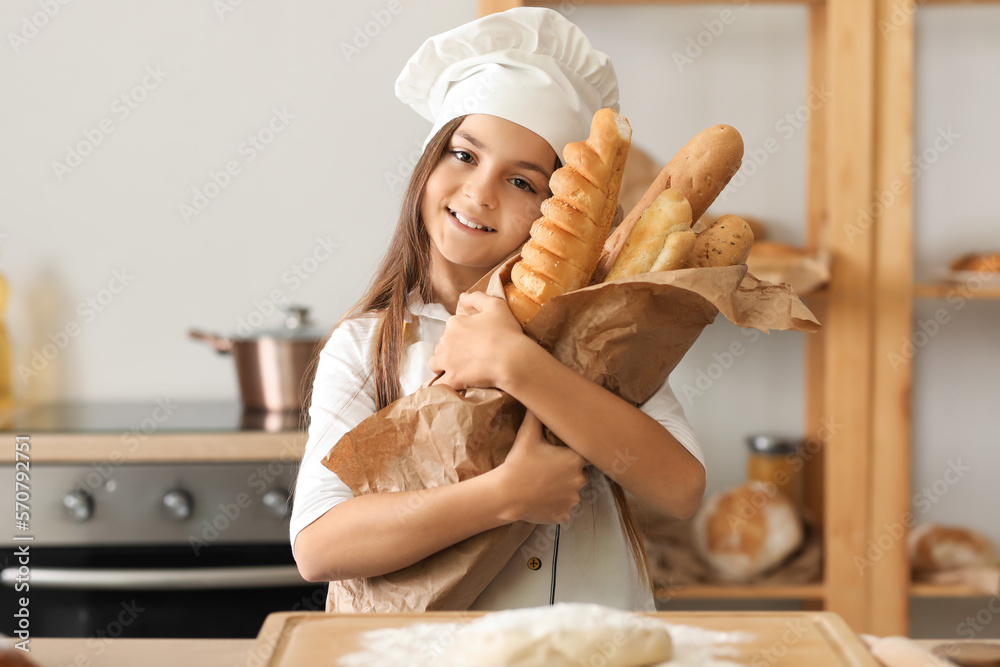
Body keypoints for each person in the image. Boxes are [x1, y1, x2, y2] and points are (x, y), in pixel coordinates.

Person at [291, 7, 705, 612]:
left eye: (523, 183)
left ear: (560, 212)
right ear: (427, 163)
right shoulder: (368, 344)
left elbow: (680, 487)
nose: (480, 192)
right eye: (464, 155)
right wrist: (505, 495)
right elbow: (319, 547)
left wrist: (519, 364)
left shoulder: (598, 326)